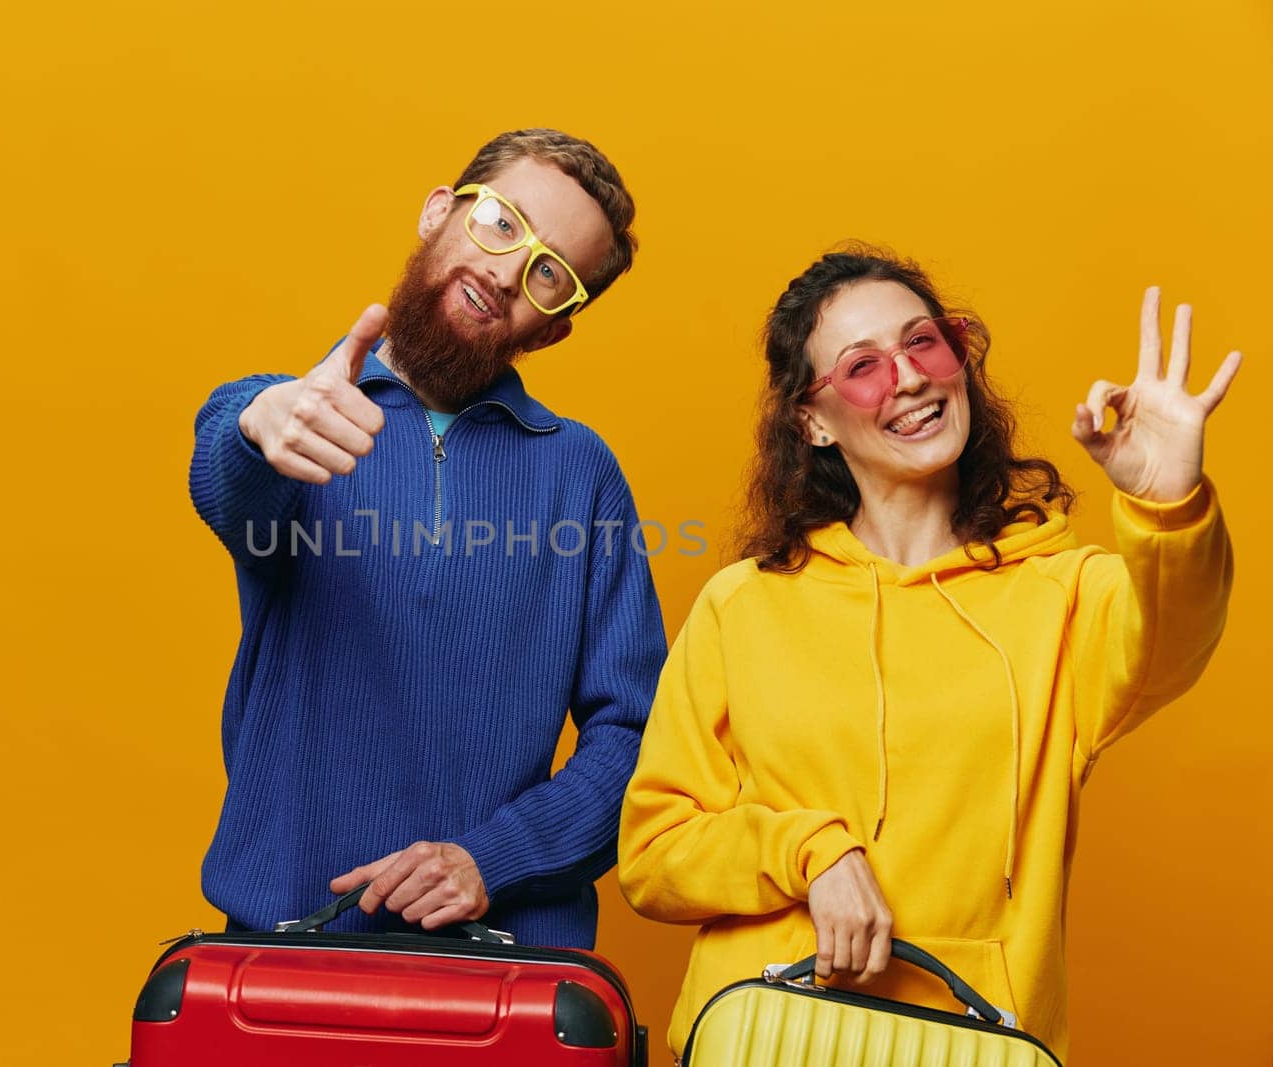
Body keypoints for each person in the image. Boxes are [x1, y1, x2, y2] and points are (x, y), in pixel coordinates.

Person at [617, 248, 1237, 1061]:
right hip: (770, 1033)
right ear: (812, 419)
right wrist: (810, 852)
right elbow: (653, 852)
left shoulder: (1062, 595)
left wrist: (1166, 503)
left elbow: (1175, 637)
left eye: (924, 343)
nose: (908, 378)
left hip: (972, 1041)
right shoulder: (743, 604)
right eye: (863, 366)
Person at [188, 129, 666, 948]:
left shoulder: (581, 473)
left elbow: (640, 739)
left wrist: (492, 859)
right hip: (278, 946)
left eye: (549, 273)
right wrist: (253, 422)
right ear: (439, 211)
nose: (506, 271)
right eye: (503, 224)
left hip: (503, 967)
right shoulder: (308, 415)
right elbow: (227, 474)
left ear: (553, 328)